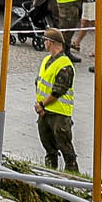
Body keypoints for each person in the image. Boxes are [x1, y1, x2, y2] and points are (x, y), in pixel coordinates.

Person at [35, 26, 78, 172]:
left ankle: (73, 175)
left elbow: (58, 91)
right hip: (45, 112)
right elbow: (39, 83)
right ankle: (50, 172)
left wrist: (42, 104)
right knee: (49, 148)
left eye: (45, 40)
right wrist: (40, 105)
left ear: (50, 42)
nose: (44, 43)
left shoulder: (65, 65)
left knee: (66, 148)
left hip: (59, 114)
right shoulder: (47, 60)